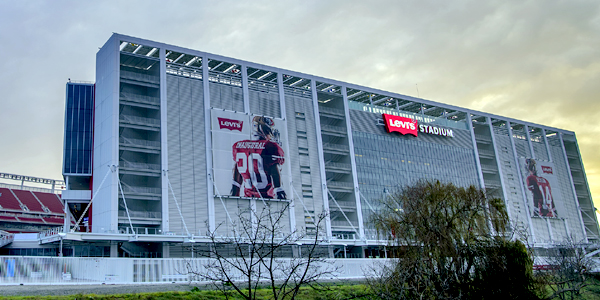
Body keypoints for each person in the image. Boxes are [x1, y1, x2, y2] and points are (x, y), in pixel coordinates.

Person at [230, 116, 286, 199]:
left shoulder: (239, 146)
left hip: (248, 198)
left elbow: (237, 169)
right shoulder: (270, 146)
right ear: (265, 130)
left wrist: (235, 194)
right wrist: (279, 190)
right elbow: (275, 170)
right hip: (267, 198)